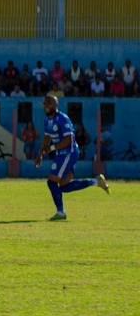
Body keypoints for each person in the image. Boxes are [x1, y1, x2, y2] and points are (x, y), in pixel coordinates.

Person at [35, 93, 109, 221]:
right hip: (61, 153)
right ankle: (97, 181)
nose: (46, 105)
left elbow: (68, 139)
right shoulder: (47, 120)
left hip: (68, 153)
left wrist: (51, 149)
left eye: (49, 103)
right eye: (44, 103)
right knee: (64, 186)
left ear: (56, 104)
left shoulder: (62, 118)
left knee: (52, 182)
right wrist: (40, 154)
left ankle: (60, 212)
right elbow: (47, 138)